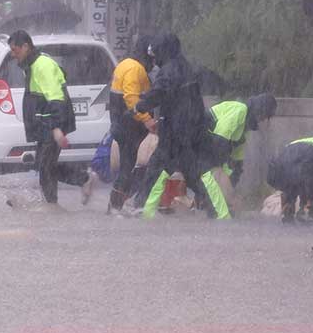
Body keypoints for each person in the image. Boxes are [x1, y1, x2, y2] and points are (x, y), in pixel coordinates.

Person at [134, 33, 210, 216]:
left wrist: (140, 105)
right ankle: (211, 205)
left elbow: (159, 93)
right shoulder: (183, 65)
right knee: (190, 170)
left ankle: (141, 206)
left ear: (163, 51)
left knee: (157, 166)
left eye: (156, 53)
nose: (154, 58)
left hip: (176, 128)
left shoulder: (170, 70)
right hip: (189, 126)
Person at [169, 92, 277, 220]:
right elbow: (220, 138)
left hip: (205, 143)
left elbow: (237, 160)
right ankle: (216, 212)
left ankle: (202, 205)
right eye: (265, 116)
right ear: (260, 110)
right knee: (213, 174)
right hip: (197, 139)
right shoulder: (240, 110)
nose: (264, 120)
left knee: (216, 180)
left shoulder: (244, 127)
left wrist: (233, 179)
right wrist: (223, 172)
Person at [8, 30, 86, 205]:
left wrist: (57, 128)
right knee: (45, 165)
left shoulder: (42, 65)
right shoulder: (31, 65)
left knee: (46, 166)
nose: (13, 55)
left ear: (26, 47)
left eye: (15, 50)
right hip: (45, 123)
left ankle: (51, 206)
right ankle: (81, 181)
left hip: (52, 123)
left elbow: (56, 98)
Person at [105, 35, 153, 211]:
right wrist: (147, 119)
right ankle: (117, 205)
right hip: (130, 126)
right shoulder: (135, 68)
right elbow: (132, 98)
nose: (154, 62)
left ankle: (118, 204)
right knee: (128, 166)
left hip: (120, 125)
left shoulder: (125, 64)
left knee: (129, 165)